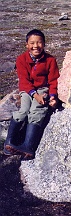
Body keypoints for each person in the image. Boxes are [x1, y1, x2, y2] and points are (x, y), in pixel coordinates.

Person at [4, 29, 60, 160]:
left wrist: (52, 96)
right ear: (27, 45)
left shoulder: (50, 60)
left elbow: (53, 81)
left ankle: (28, 147)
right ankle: (9, 143)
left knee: (36, 111)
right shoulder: (21, 59)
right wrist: (35, 95)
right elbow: (24, 81)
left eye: (39, 42)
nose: (36, 46)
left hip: (42, 89)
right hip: (27, 89)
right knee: (23, 110)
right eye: (32, 43)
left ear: (44, 44)